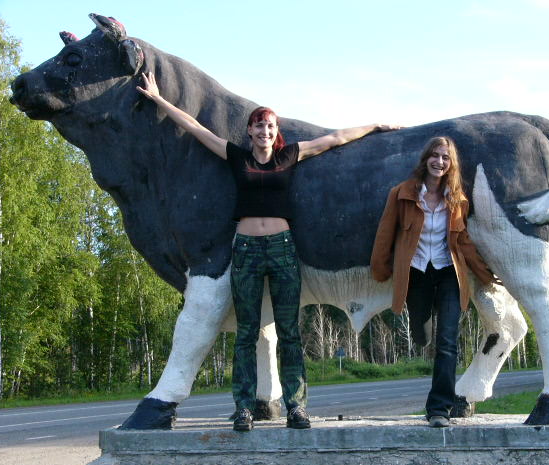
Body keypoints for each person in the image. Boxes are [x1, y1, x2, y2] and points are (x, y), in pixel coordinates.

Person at [137, 72, 399, 432]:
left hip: (282, 249)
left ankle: (297, 407)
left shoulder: (289, 156)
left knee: (289, 331)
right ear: (250, 131)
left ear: (277, 133)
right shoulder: (236, 157)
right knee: (246, 332)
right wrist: (157, 98)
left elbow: (335, 139)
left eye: (270, 126)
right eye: (259, 126)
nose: (265, 131)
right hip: (245, 250)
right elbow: (196, 129)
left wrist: (376, 126)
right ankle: (244, 408)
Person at [370, 136, 495, 428]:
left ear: (451, 164)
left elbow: (463, 241)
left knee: (447, 341)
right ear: (426, 158)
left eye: (445, 158)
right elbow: (385, 233)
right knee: (422, 335)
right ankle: (420, 331)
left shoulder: (458, 199)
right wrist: (381, 270)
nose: (439, 162)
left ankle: (439, 409)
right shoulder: (401, 194)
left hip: (449, 272)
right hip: (417, 272)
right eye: (435, 156)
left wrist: (485, 275)